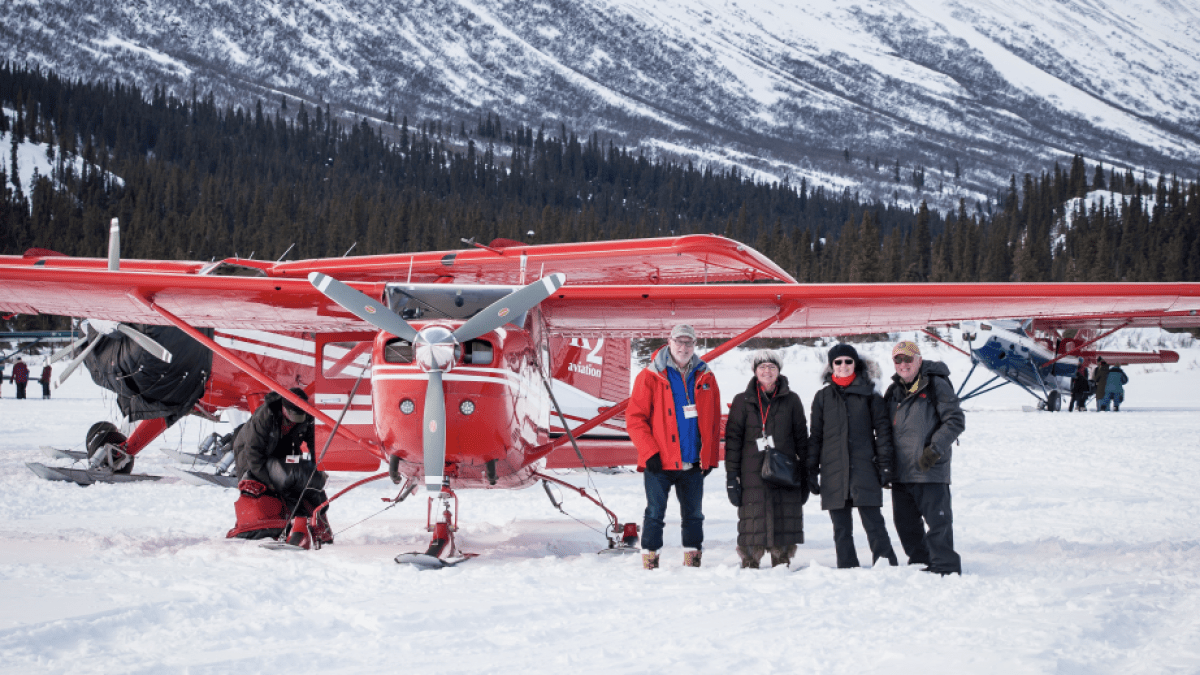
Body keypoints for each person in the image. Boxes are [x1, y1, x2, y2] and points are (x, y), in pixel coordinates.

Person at [628, 324, 721, 569]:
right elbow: (635, 419)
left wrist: (710, 457)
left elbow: (712, 421)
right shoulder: (649, 376)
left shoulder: (706, 376)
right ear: (669, 342)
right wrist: (649, 453)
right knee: (655, 513)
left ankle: (693, 558)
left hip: (692, 462)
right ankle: (650, 559)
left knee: (694, 515)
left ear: (694, 346)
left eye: (689, 343)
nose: (684, 347)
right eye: (679, 342)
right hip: (660, 462)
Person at [808, 343, 899, 569]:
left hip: (864, 469)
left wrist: (885, 466)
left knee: (874, 522)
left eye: (848, 361)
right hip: (833, 470)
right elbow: (816, 436)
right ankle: (847, 567)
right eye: (838, 362)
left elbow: (883, 433)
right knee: (841, 528)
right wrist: (810, 470)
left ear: (855, 364)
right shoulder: (822, 397)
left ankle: (886, 564)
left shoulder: (871, 395)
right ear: (831, 366)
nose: (843, 366)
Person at [884, 340, 966, 576]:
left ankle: (945, 566)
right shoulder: (893, 391)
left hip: (929, 467)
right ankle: (920, 562)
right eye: (898, 360)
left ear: (919, 360)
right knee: (906, 525)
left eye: (908, 359)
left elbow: (955, 420)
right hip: (901, 471)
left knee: (938, 522)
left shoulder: (935, 385)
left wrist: (934, 449)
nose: (903, 364)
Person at [724, 350, 808, 569]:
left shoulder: (792, 400)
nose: (767, 371)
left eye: (772, 366)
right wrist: (732, 477)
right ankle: (750, 557)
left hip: (784, 472)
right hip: (751, 471)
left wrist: (806, 474)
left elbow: (802, 439)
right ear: (754, 371)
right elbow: (733, 443)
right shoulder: (742, 401)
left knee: (783, 515)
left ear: (779, 371)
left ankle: (782, 556)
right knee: (753, 516)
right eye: (762, 367)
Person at [227, 388, 332, 543]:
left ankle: (314, 527)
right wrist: (270, 484)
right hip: (252, 458)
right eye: (292, 416)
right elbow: (253, 454)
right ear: (284, 408)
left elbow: (315, 446)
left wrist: (317, 468)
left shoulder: (306, 416)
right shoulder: (265, 415)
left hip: (284, 454)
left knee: (307, 479)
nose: (295, 421)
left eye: (299, 417)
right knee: (282, 482)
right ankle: (287, 524)